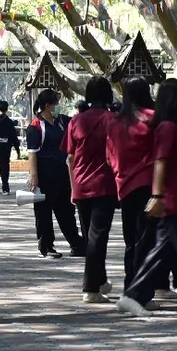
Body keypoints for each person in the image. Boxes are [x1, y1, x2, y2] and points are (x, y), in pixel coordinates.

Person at [116, 78, 177, 316]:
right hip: (175, 200)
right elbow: (160, 162)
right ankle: (135, 295)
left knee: (175, 253)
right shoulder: (166, 128)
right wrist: (157, 194)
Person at [63, 76, 117, 303]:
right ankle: (90, 288)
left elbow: (70, 158)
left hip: (81, 185)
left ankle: (100, 281)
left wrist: (72, 188)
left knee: (91, 237)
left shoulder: (76, 121)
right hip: (104, 185)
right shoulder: (113, 120)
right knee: (98, 237)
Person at [105, 76, 155, 284]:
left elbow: (109, 156)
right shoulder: (153, 118)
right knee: (147, 239)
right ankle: (142, 287)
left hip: (124, 187)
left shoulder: (116, 122)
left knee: (131, 239)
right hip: (149, 185)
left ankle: (130, 283)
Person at [26, 88, 83, 258]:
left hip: (62, 172)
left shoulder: (61, 121)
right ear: (46, 105)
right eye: (55, 102)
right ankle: (46, 246)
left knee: (66, 210)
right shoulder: (35, 126)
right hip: (44, 174)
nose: (57, 105)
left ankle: (77, 244)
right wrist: (34, 176)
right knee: (43, 212)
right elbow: (32, 153)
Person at [0, 101, 20, 194]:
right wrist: (17, 150)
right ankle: (5, 186)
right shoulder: (9, 121)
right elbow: (14, 136)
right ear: (7, 108)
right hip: (5, 147)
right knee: (4, 167)